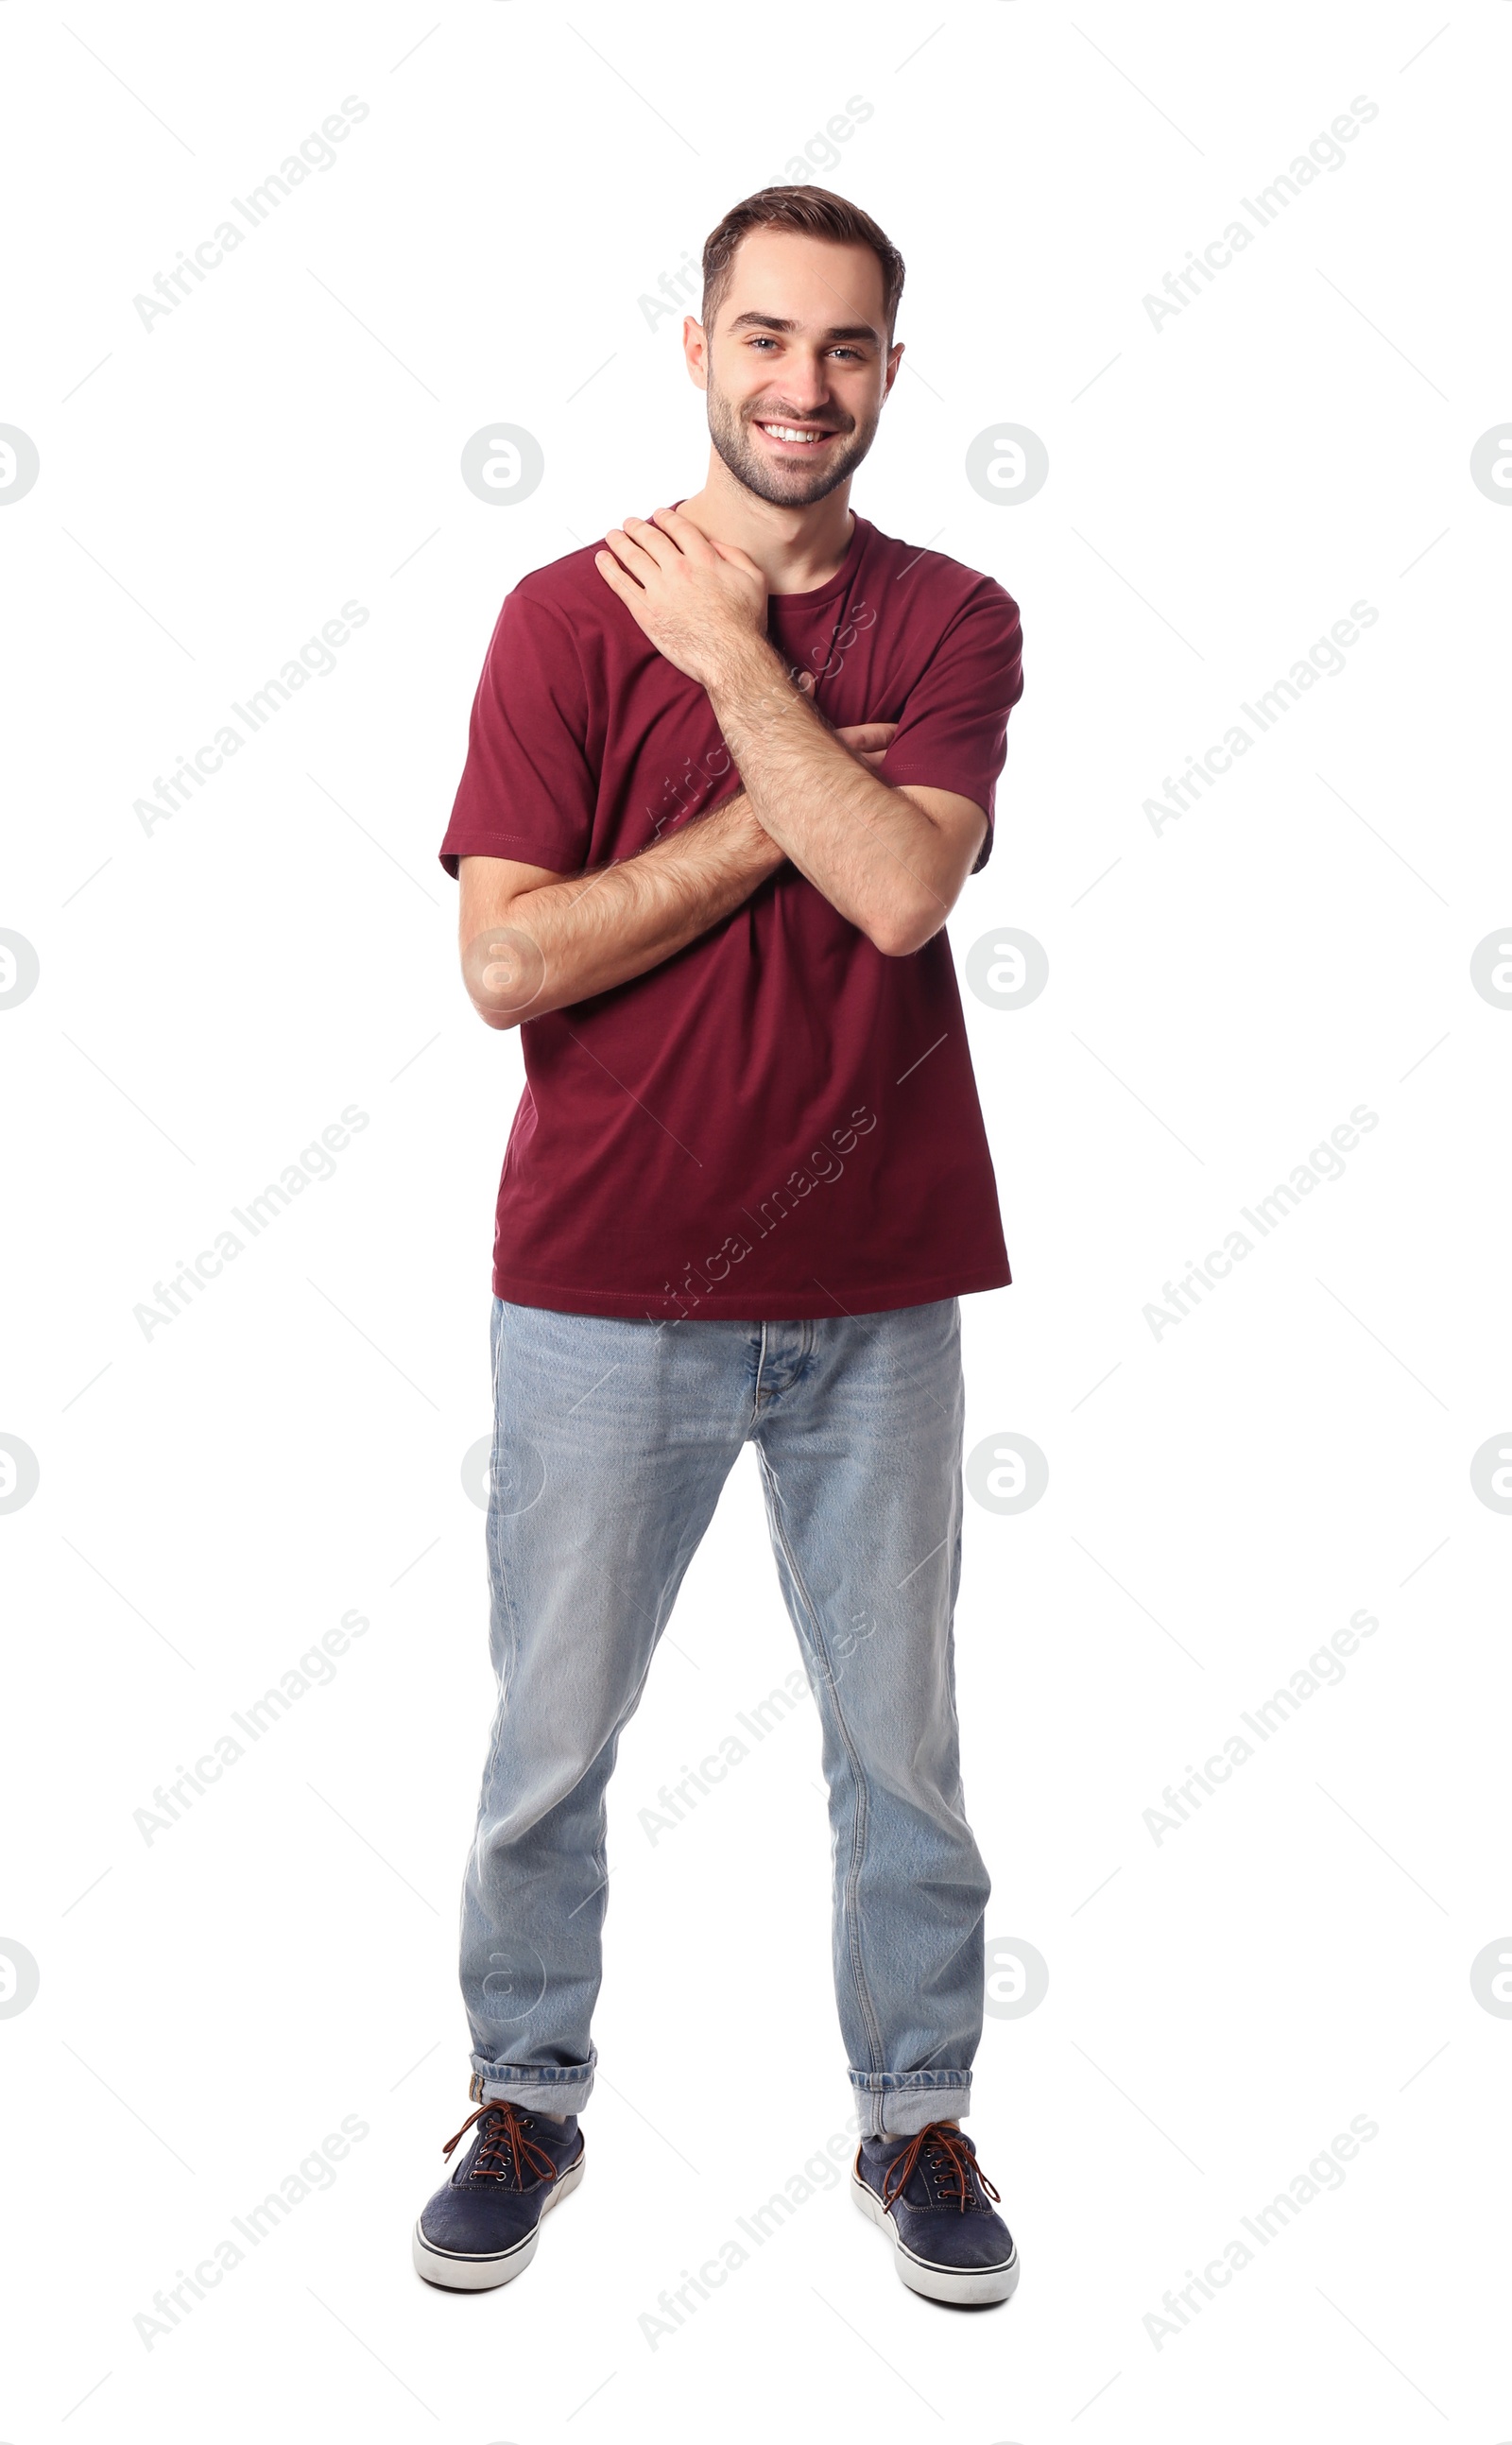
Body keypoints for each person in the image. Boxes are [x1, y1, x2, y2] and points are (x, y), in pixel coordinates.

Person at [412, 184, 1025, 2309]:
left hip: (875, 1291)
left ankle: (916, 2111)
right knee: (547, 1740)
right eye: (765, 339)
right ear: (695, 350)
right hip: (598, 1289)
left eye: (844, 349)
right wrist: (781, 766)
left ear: (886, 374)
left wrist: (738, 676)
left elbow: (897, 895)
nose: (801, 385)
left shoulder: (953, 621)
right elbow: (506, 964)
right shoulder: (561, 619)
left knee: (898, 1750)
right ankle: (521, 2093)